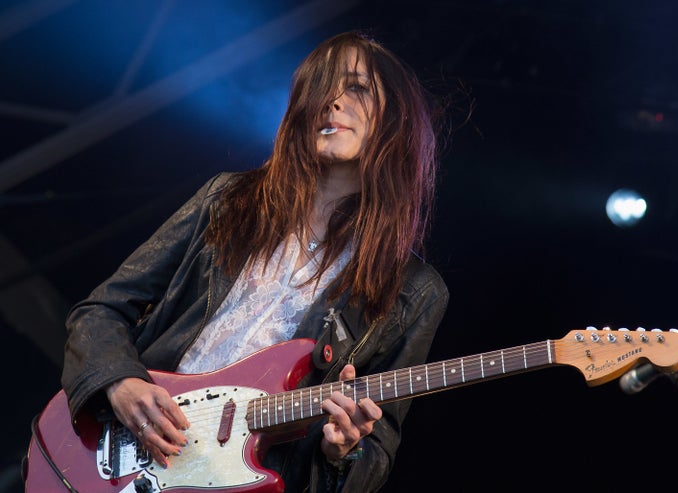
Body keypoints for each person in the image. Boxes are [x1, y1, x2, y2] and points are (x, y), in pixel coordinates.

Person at [60, 30, 449, 493]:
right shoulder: (227, 200)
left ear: (396, 118)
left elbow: (375, 450)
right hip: (120, 458)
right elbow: (100, 311)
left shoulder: (413, 291)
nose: (331, 101)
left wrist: (344, 450)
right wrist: (120, 383)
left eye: (356, 87)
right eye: (319, 89)